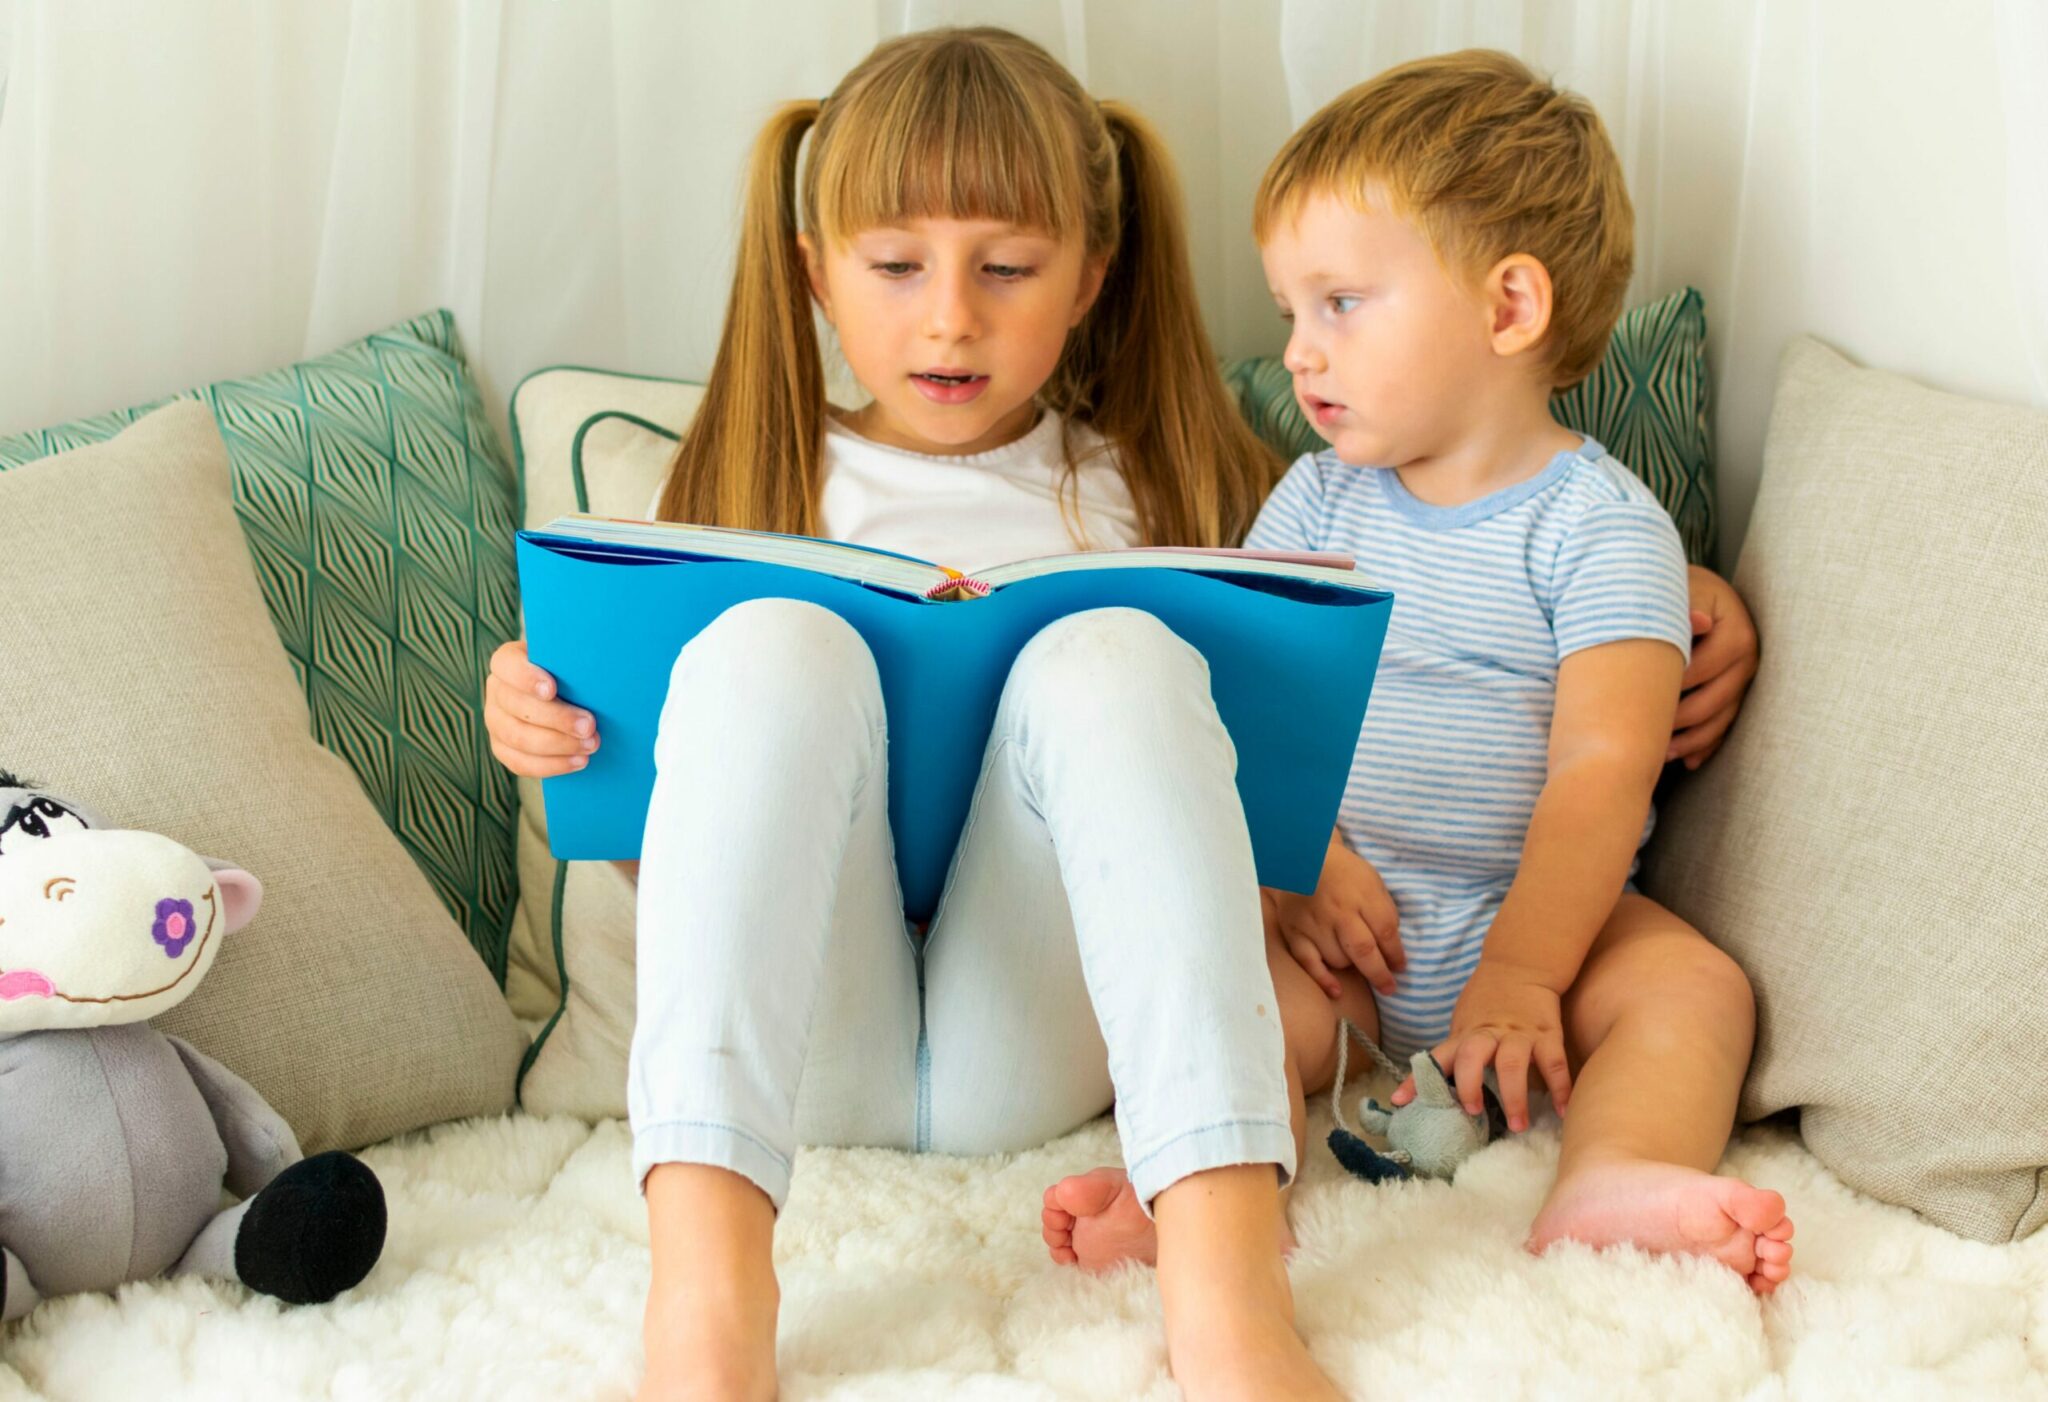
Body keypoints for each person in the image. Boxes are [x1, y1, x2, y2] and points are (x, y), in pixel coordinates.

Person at [486, 30, 1763, 1399]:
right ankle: (707, 1308)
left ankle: (1225, 1302)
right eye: (897, 266)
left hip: (1035, 1033)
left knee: (1121, 650)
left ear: (1091, 276)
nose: (950, 319)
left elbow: (1359, 619)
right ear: (816, 271)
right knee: (765, 645)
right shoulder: (741, 475)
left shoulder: (1176, 481)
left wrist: (1671, 588)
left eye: (1009, 269)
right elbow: (672, 872)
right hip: (801, 1046)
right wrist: (563, 733)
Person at [1041, 49, 1793, 1302]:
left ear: (1507, 309)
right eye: (1290, 312)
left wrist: (1520, 974)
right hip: (1344, 934)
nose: (1297, 351)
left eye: (1338, 303)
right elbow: (1242, 717)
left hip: (1544, 923)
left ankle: (1614, 1168)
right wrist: (1301, 873)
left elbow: (1601, 774)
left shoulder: (1602, 531)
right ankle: (1197, 1189)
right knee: (1211, 991)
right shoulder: (1312, 499)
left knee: (1693, 988)